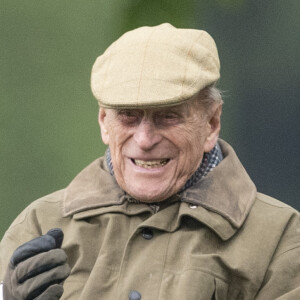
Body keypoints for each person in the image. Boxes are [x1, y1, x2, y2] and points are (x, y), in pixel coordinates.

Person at [0, 23, 299, 300]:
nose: (144, 140)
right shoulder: (41, 223)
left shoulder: (278, 236)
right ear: (105, 122)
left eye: (168, 116)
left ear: (211, 122)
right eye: (128, 116)